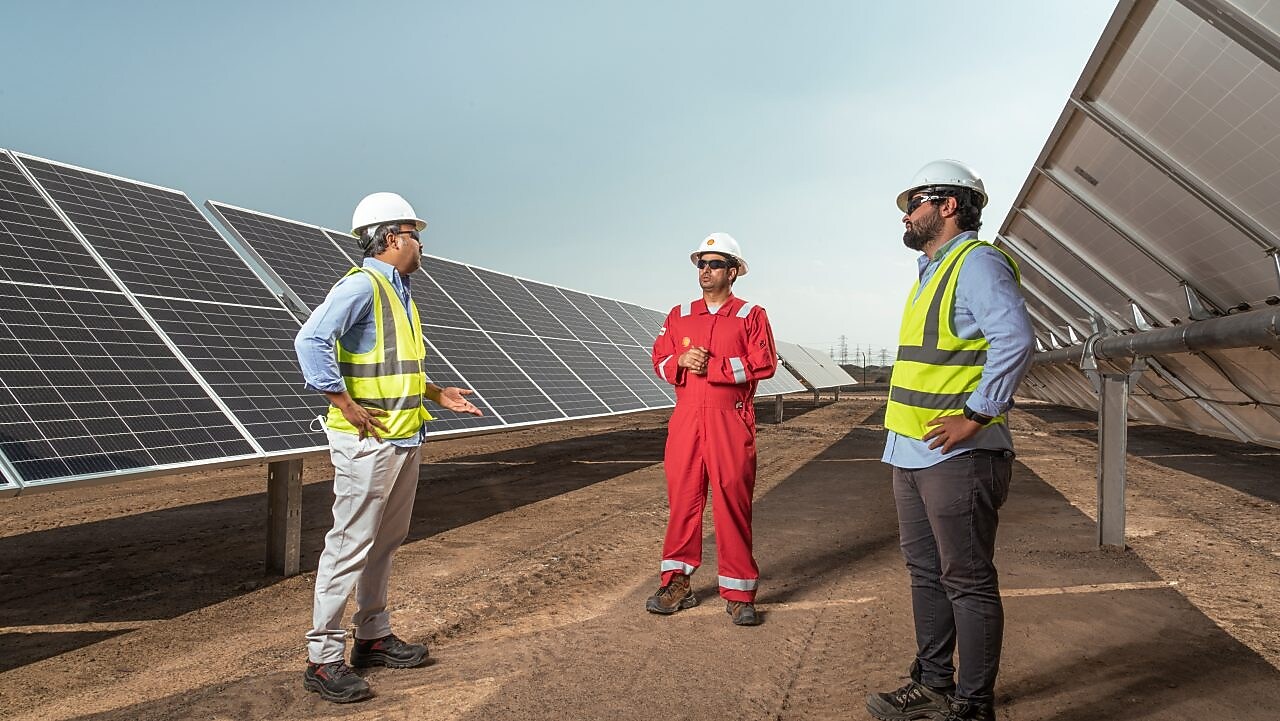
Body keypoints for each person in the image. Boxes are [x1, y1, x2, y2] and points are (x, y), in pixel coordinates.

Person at [294, 191, 482, 703]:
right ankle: (323, 657)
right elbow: (309, 341)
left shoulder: (400, 292)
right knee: (349, 544)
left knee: (385, 541)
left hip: (403, 435)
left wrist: (437, 393)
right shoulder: (362, 287)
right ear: (393, 237)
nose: (421, 244)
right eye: (415, 234)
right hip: (367, 440)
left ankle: (371, 637)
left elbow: (398, 368)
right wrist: (343, 401)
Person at [866, 160, 1035, 721]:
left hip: (957, 456)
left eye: (914, 201)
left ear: (947, 205)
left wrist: (978, 415)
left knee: (966, 579)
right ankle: (934, 684)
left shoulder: (977, 262)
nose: (907, 214)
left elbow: (1014, 340)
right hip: (912, 453)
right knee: (926, 573)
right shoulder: (930, 271)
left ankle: (973, 704)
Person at [647, 232, 778, 626]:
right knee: (682, 505)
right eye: (701, 264)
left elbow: (765, 363)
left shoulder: (751, 315)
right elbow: (658, 361)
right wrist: (682, 359)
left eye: (715, 263)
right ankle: (677, 584)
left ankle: (739, 594)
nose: (705, 270)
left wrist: (715, 368)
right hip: (686, 421)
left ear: (734, 271)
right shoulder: (678, 314)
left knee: (731, 506)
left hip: (729, 421)